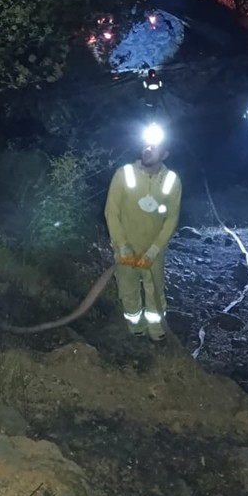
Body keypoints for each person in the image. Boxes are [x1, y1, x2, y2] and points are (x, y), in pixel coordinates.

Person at [104, 123, 182, 341]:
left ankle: (157, 332)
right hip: (125, 248)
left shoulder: (171, 181)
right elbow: (112, 213)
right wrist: (122, 245)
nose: (148, 149)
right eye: (146, 145)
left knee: (155, 291)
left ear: (164, 154)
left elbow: (171, 219)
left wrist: (153, 251)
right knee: (128, 290)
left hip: (153, 251)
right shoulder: (123, 174)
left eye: (155, 147)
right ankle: (135, 328)